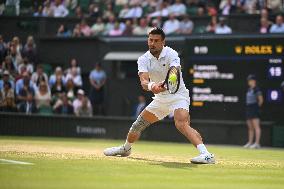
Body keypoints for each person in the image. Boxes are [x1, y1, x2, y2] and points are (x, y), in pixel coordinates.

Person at [104, 27, 215, 164]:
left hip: (178, 95)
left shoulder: (171, 54)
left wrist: (166, 84)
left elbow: (174, 72)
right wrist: (153, 86)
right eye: (150, 40)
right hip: (160, 99)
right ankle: (126, 149)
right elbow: (144, 82)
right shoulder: (143, 59)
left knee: (181, 123)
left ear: (163, 42)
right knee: (137, 125)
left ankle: (206, 155)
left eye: (156, 41)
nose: (152, 43)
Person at [244, 74, 264, 149]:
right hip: (248, 108)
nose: (249, 82)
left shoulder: (257, 89)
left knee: (256, 126)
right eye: (249, 80)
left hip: (254, 108)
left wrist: (256, 108)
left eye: (250, 80)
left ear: (254, 81)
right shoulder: (249, 89)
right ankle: (250, 142)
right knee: (250, 127)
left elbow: (261, 100)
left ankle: (257, 143)